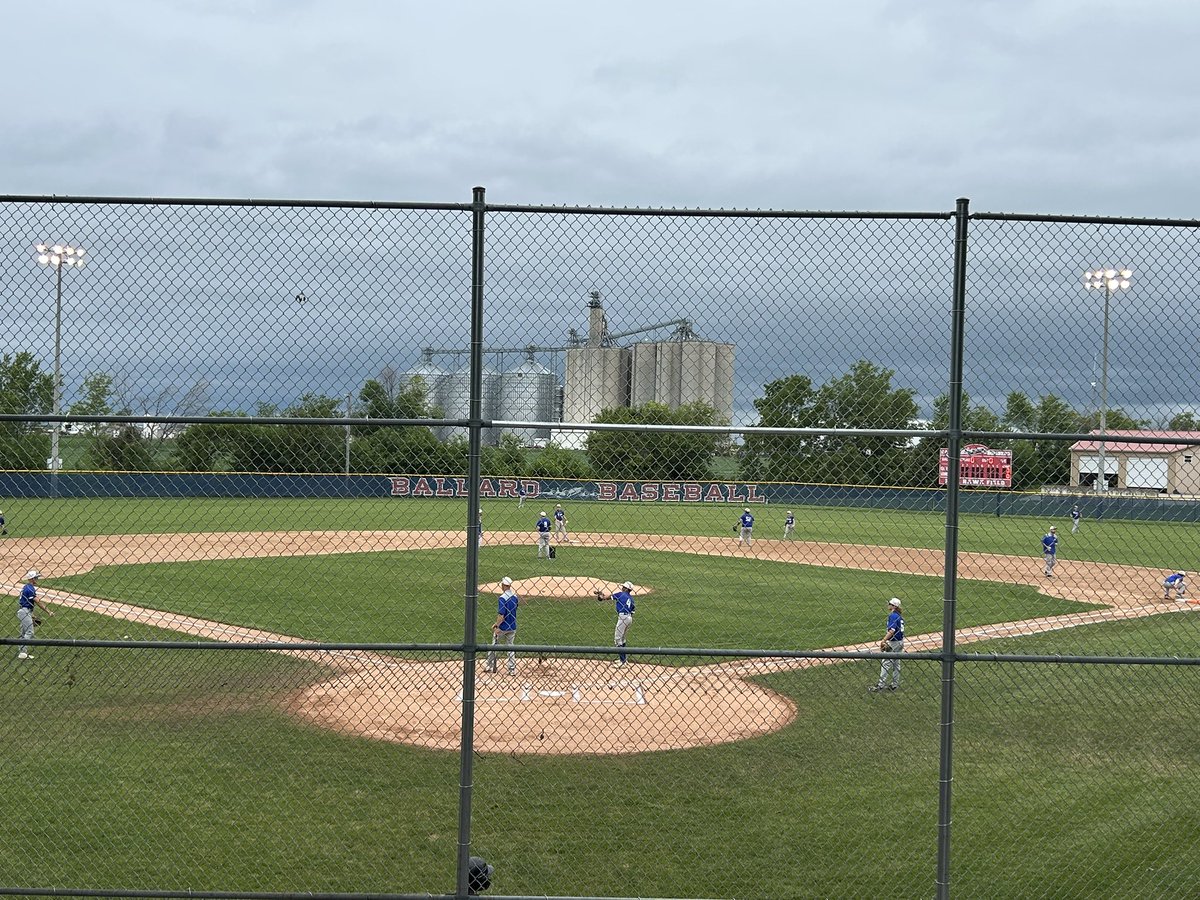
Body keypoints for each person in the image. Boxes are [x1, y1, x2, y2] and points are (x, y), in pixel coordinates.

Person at [596, 580, 636, 668]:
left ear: (626, 589)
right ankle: (624, 659)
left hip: (622, 618)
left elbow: (604, 598)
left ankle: (622, 662)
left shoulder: (620, 594)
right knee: (623, 639)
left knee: (618, 639)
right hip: (629, 618)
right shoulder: (631, 599)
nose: (622, 588)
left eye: (623, 587)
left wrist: (600, 595)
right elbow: (633, 611)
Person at [16, 569, 54, 660]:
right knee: (30, 631)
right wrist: (48, 611)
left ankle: (22, 652)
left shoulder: (26, 587)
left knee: (23, 632)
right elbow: (38, 602)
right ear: (32, 579)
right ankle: (23, 652)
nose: (37, 579)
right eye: (36, 578)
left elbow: (26, 602)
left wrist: (31, 614)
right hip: (25, 611)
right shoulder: (30, 588)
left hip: (24, 611)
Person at [869, 597, 905, 692]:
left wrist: (883, 640)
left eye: (890, 604)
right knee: (896, 663)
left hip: (894, 643)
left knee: (886, 662)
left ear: (894, 606)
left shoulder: (893, 616)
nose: (888, 605)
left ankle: (880, 685)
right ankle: (894, 684)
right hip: (901, 641)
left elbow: (892, 630)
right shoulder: (899, 615)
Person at [485, 576, 520, 675]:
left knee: (494, 646)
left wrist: (497, 625)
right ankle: (512, 669)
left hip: (503, 627)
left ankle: (489, 665)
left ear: (503, 585)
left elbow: (501, 615)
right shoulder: (515, 597)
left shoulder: (502, 598)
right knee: (510, 647)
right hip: (512, 626)